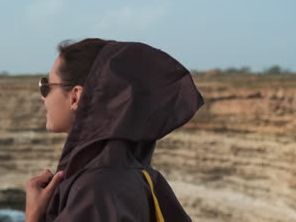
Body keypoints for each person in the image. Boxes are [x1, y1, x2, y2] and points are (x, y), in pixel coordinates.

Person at [25, 38, 205, 222]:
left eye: (46, 86)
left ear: (75, 97)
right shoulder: (136, 173)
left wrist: (33, 215)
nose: (43, 97)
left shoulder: (94, 190)